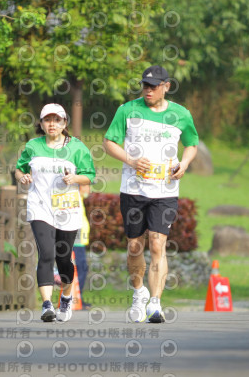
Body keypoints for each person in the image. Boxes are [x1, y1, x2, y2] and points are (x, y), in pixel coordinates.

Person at [102, 65, 199, 323]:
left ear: (166, 86)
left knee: (157, 243)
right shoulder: (127, 110)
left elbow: (191, 144)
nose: (148, 90)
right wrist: (131, 161)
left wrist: (185, 164)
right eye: (145, 85)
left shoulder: (181, 114)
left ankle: (155, 303)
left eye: (154, 86)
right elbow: (109, 142)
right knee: (135, 247)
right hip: (133, 190)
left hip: (165, 190)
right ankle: (138, 293)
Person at [15, 103, 95, 322]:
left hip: (67, 209)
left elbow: (90, 175)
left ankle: (67, 296)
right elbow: (19, 168)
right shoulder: (33, 146)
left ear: (64, 123)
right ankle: (47, 305)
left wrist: (75, 179)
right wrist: (22, 177)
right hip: (40, 206)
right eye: (47, 120)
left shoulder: (77, 147)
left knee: (64, 259)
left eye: (57, 120)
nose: (52, 124)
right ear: (41, 124)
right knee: (46, 253)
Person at [72, 184, 92, 310]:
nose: (89, 189)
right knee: (80, 268)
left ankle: (78, 298)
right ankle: (75, 299)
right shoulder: (74, 198)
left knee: (81, 268)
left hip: (80, 240)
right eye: (87, 186)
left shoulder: (79, 198)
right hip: (76, 240)